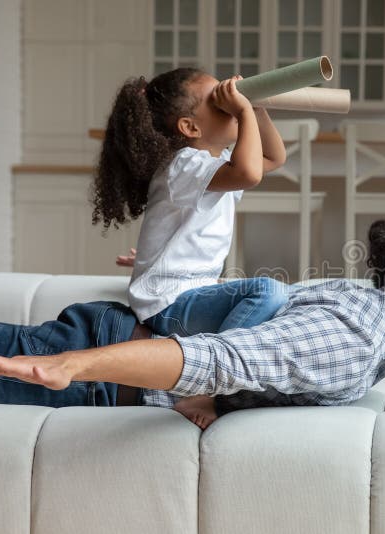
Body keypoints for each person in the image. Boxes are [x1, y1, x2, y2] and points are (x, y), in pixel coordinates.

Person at [0, 218, 385, 426]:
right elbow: (224, 358)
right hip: (100, 372)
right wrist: (70, 366)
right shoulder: (356, 341)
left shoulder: (369, 313)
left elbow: (259, 324)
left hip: (108, 348)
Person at [91, 68, 288, 426]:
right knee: (267, 292)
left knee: (279, 307)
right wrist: (244, 112)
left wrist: (256, 107)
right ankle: (209, 386)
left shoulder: (210, 165)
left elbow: (273, 159)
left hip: (184, 295)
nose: (231, 103)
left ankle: (214, 367)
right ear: (190, 127)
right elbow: (251, 172)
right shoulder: (183, 165)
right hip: (168, 304)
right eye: (219, 100)